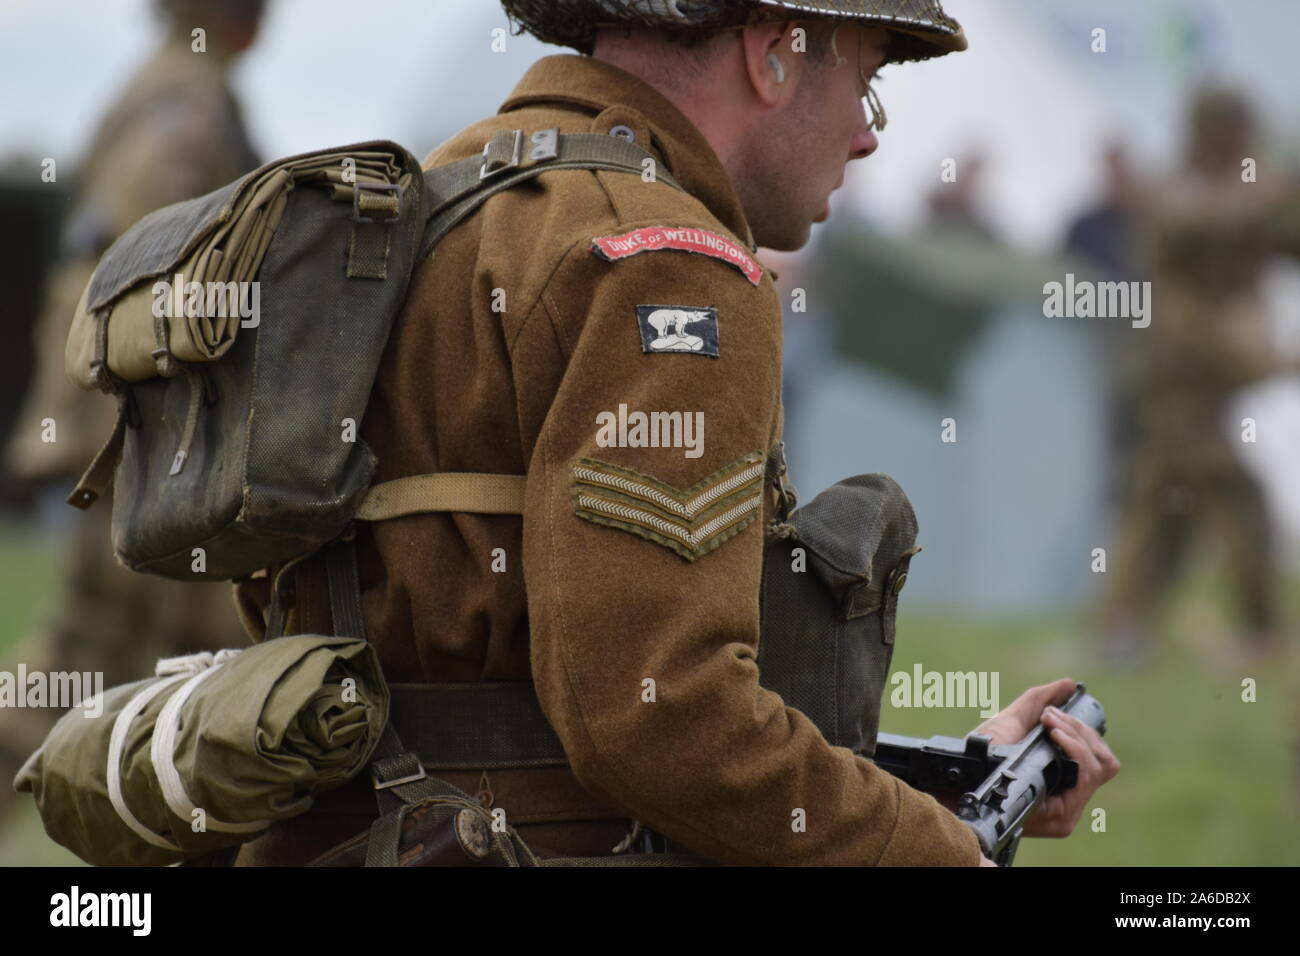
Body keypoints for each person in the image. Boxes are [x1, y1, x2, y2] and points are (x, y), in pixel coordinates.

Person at [233, 0, 1118, 866]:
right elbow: (660, 721)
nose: (867, 135)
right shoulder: (670, 265)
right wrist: (937, 852)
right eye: (867, 84)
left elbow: (493, 700)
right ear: (773, 52)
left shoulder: (441, 203)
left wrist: (940, 793)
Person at [0, 0, 268, 819]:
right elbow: (149, 252)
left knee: (208, 651)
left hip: (140, 429)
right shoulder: (188, 94)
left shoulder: (166, 80)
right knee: (90, 657)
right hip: (141, 432)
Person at [1100, 87, 1300, 663]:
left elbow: (1277, 239)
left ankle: (1123, 631)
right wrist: (1263, 198)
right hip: (1177, 383)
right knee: (1233, 497)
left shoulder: (1242, 192)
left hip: (1211, 385)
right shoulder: (1176, 191)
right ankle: (1257, 631)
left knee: (1164, 507)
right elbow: (1193, 223)